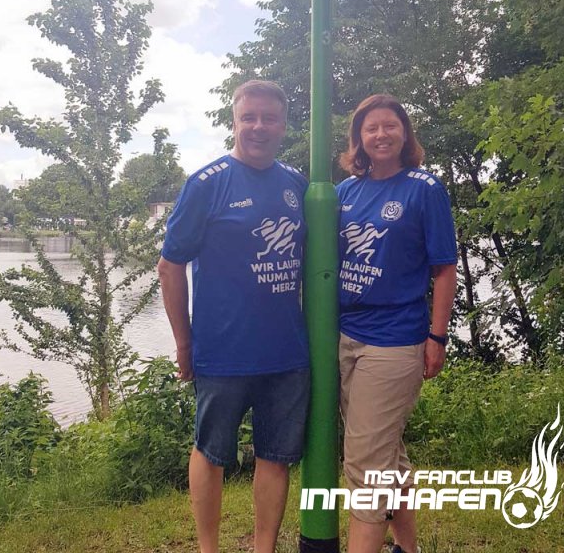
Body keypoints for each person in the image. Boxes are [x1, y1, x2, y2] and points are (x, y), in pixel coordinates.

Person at [157, 80, 310, 553]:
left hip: (286, 353)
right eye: (249, 118)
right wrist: (184, 342)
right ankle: (209, 548)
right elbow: (169, 265)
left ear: (283, 125)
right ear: (235, 122)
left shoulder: (297, 184)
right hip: (222, 352)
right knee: (211, 452)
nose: (259, 127)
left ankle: (264, 548)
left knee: (276, 456)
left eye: (269, 118)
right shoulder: (207, 184)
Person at [336, 94, 457, 553]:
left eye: (390, 125)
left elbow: (444, 269)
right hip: (345, 334)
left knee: (366, 467)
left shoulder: (424, 189)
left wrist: (437, 336)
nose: (381, 134)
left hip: (393, 341)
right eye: (371, 128)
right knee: (387, 454)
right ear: (359, 138)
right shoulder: (346, 192)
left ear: (405, 133)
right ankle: (407, 549)